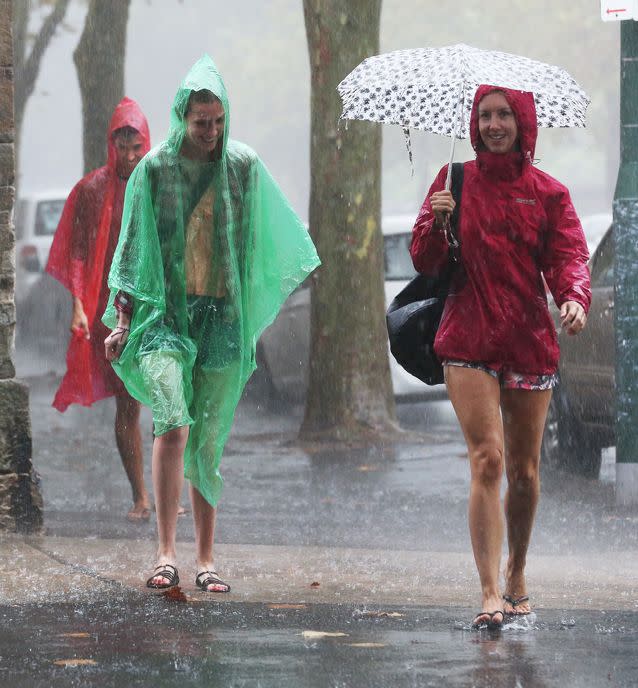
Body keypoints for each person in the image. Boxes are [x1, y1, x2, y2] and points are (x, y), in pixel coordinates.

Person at [103, 55, 320, 592]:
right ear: (183, 117)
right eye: (201, 121)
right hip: (165, 319)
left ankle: (205, 559)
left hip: (220, 320)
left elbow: (262, 238)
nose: (211, 131)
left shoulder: (241, 167)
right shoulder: (154, 171)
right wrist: (123, 320)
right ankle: (164, 553)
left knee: (209, 441)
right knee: (174, 422)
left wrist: (258, 300)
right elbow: (133, 250)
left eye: (219, 120)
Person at [410, 85, 591, 629]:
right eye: (485, 115)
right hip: (468, 336)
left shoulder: (548, 192)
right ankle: (489, 592)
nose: (493, 125)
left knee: (526, 472)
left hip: (530, 341)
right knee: (487, 460)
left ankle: (516, 571)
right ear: (474, 122)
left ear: (522, 121)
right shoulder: (452, 182)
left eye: (503, 115)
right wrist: (437, 223)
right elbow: (425, 259)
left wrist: (573, 297)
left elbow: (568, 255)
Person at [46, 97, 153, 522]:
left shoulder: (157, 185)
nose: (128, 156)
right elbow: (75, 252)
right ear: (111, 144)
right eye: (121, 145)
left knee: (166, 399)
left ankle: (164, 489)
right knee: (127, 402)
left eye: (136, 146)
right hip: (112, 310)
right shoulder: (91, 190)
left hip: (152, 306)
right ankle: (141, 495)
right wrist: (78, 305)